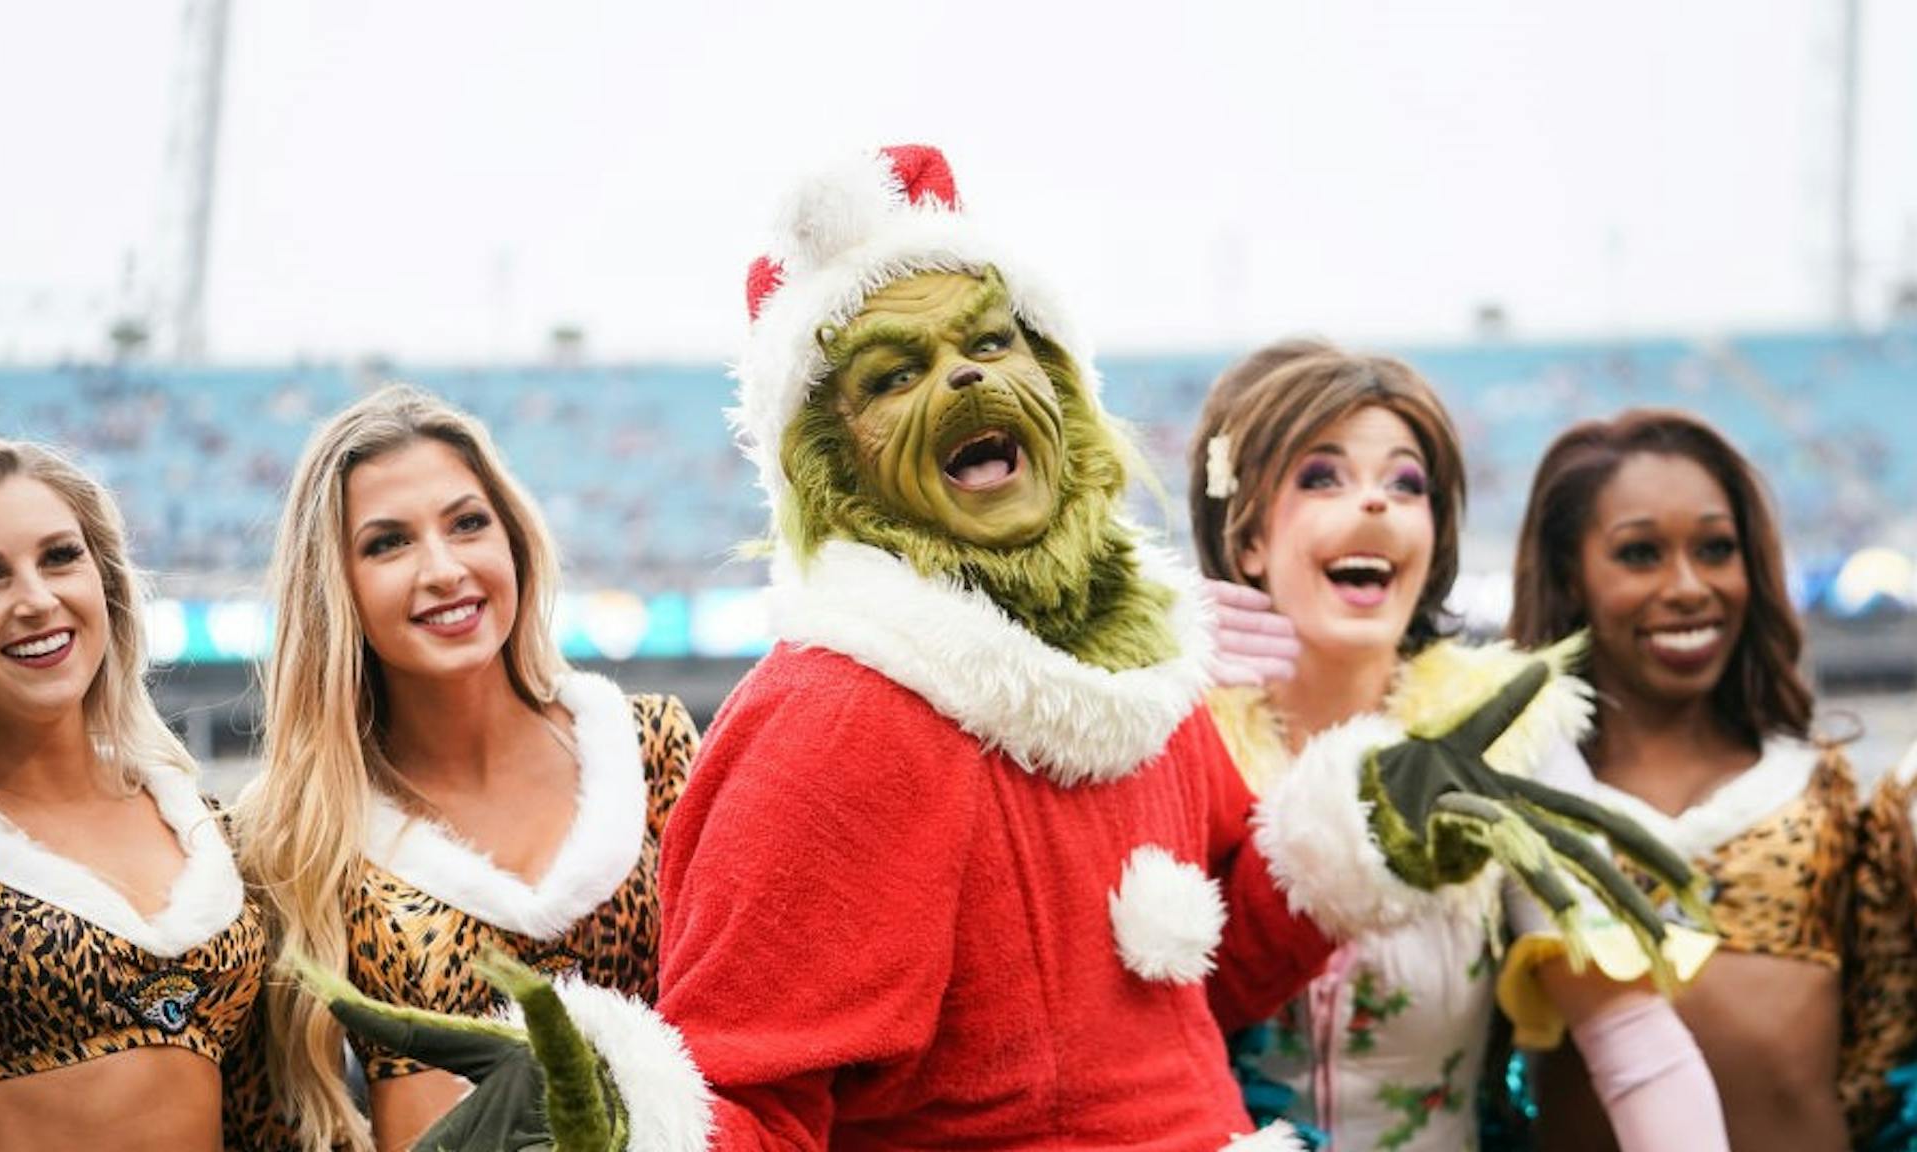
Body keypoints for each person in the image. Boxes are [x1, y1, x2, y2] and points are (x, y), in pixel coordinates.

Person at [307, 144, 1694, 1152]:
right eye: (894, 374)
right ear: (830, 467)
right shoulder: (832, 726)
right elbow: (752, 1107)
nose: (966, 379)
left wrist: (1355, 848)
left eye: (991, 343)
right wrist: (626, 1134)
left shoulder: (1139, 687)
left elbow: (1208, 972)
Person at [1187, 344, 1727, 1152]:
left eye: (1406, 483)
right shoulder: (1170, 733)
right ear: (1248, 538)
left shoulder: (1503, 734)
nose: (1374, 504)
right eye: (1322, 476)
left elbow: (1636, 1049)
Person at [235, 385, 701, 1152]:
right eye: (388, 543)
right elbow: (268, 1119)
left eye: (467, 524)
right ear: (335, 587)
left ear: (514, 538)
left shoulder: (647, 744)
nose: (444, 569)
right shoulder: (295, 827)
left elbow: (741, 1022)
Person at [1505, 408, 1917, 1151]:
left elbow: (1884, 1045)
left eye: (1717, 549)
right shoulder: (1516, 797)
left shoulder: (1822, 790)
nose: (1690, 586)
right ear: (1571, 574)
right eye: (1640, 554)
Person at [0, 436, 266, 1152]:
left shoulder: (209, 831)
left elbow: (268, 1114)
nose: (37, 600)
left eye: (60, 557)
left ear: (105, 580)